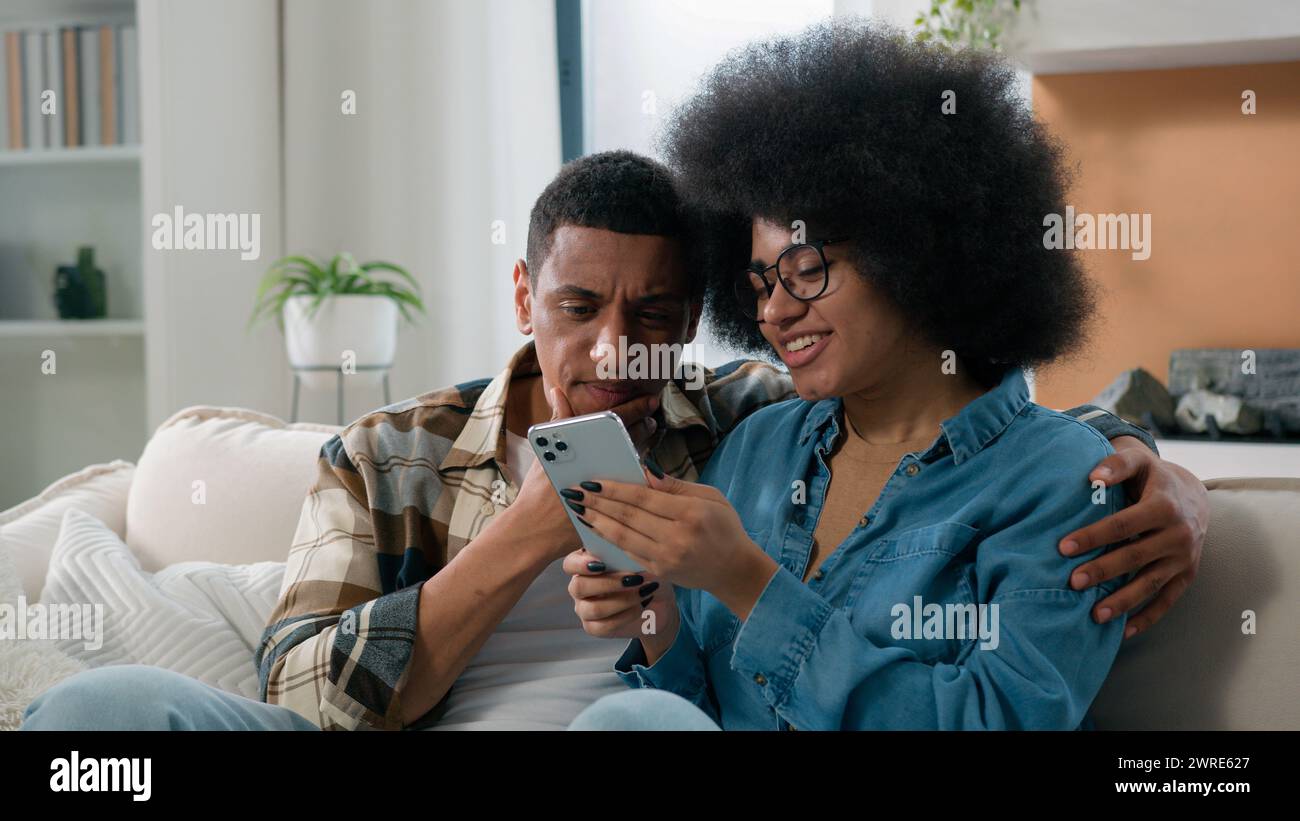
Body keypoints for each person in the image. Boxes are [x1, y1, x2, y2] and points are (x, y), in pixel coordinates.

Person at [23, 143, 1202, 730]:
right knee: (99, 714)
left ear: (691, 326)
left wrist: (1164, 472)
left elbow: (949, 410)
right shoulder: (392, 451)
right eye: (577, 309)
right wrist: (526, 538)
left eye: (655, 318)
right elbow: (303, 692)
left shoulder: (733, 421)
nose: (612, 352)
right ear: (524, 293)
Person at [565, 21, 1187, 730]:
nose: (775, 311)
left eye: (806, 270)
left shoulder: (1057, 483)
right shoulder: (758, 446)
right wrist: (658, 614)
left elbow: (998, 719)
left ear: (915, 249)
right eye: (760, 283)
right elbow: (698, 711)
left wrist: (750, 583)